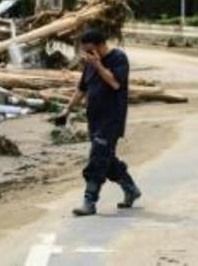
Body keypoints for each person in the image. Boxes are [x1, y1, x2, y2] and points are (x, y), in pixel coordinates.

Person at [55, 28, 141, 217]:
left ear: (102, 45)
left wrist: (98, 65)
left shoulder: (118, 58)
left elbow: (115, 84)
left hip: (112, 119)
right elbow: (81, 89)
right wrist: (67, 110)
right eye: (86, 51)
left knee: (97, 158)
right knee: (106, 159)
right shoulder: (89, 64)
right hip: (94, 118)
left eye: (91, 50)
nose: (88, 55)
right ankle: (131, 189)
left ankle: (89, 201)